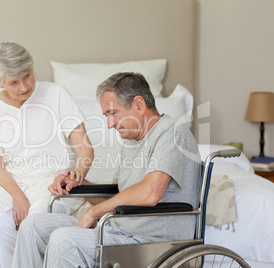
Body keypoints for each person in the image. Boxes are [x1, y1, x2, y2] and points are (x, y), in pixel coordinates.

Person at [11, 72, 201, 268]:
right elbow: (116, 198)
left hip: (153, 240)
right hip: (117, 229)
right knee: (32, 226)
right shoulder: (132, 140)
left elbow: (150, 193)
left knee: (64, 240)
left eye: (113, 113)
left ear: (139, 104)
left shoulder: (171, 133)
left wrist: (94, 212)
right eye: (106, 116)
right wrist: (78, 182)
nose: (110, 124)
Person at [0, 42, 94, 268]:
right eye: (13, 82)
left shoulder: (56, 94)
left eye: (27, 75)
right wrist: (17, 196)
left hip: (50, 180)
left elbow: (85, 147)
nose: (23, 86)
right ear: (0, 82)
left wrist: (78, 173)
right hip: (9, 182)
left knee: (36, 221)